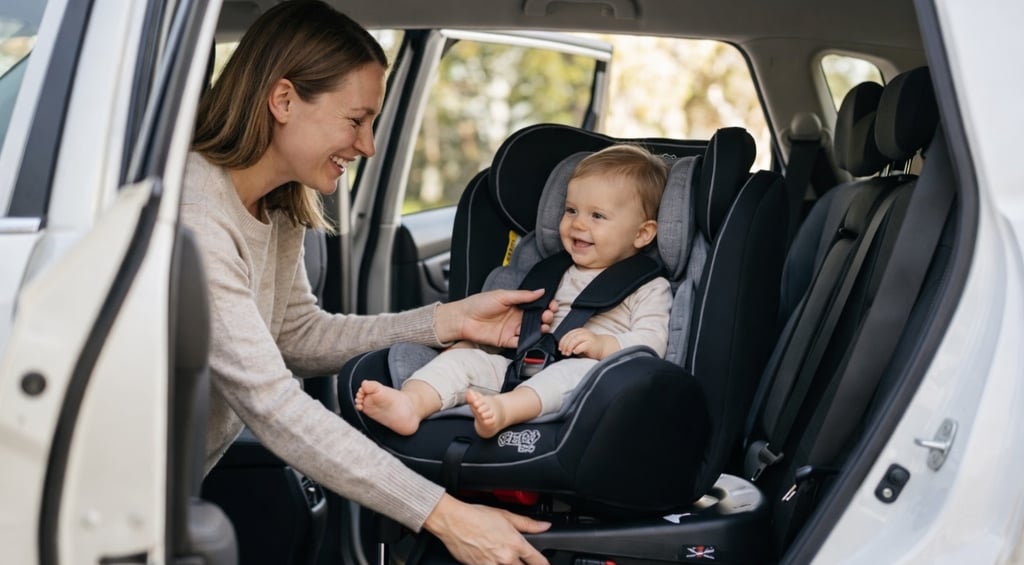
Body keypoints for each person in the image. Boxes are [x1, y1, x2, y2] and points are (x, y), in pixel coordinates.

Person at [182, 2, 554, 563]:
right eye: (356, 120)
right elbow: (275, 407)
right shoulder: (198, 218)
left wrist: (445, 321)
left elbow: (294, 335)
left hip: (174, 486)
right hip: (98, 498)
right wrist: (446, 517)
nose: (368, 145)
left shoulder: (274, 207)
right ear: (283, 100)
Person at [355, 144, 673, 439]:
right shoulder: (549, 272)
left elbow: (652, 342)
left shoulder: (648, 287)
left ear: (643, 233)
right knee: (462, 361)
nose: (577, 224)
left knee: (573, 373)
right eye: (571, 210)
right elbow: (512, 330)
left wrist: (603, 345)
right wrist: (471, 346)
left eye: (597, 216)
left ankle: (504, 412)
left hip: (591, 386)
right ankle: (411, 403)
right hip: (519, 367)